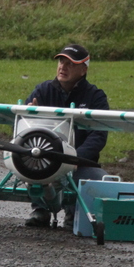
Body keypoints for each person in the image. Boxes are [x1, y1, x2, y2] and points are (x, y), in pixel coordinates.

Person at [24, 43, 109, 229]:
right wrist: (31, 113)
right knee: (29, 163)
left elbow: (99, 135)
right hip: (46, 160)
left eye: (70, 63)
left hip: (79, 162)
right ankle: (41, 209)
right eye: (61, 61)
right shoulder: (42, 91)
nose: (63, 67)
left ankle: (74, 213)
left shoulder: (96, 97)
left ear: (83, 69)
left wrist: (75, 158)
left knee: (102, 179)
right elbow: (25, 129)